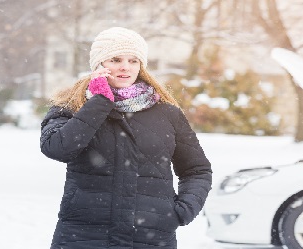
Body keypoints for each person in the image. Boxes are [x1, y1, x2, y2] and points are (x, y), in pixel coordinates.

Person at [40, 27, 212, 249]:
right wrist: (100, 102)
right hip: (85, 237)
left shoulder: (167, 113)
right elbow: (57, 148)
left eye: (133, 60)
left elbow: (197, 170)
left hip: (150, 239)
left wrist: (181, 211)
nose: (125, 67)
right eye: (115, 59)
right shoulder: (72, 107)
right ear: (99, 64)